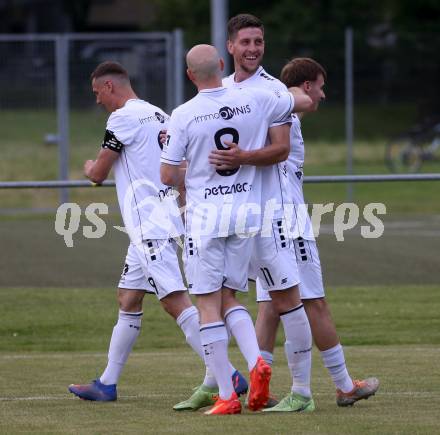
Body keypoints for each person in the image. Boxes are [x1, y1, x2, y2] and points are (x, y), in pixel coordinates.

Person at [210, 13, 380, 409]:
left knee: (289, 302)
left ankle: (330, 385)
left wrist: (291, 97)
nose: (253, 48)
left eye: (259, 42)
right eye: (246, 42)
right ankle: (267, 386)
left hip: (285, 217)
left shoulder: (273, 91)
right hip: (255, 219)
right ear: (230, 46)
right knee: (275, 305)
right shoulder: (221, 94)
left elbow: (294, 114)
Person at [67, 61, 248, 403]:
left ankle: (229, 374)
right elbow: (178, 167)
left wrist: (88, 167)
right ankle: (107, 383)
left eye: (96, 93)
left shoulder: (121, 118)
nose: (97, 101)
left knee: (174, 302)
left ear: (109, 87)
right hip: (162, 216)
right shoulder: (160, 115)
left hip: (148, 223)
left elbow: (99, 174)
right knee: (128, 297)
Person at [160, 44, 313, 415]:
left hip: (206, 218)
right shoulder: (257, 99)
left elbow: (166, 174)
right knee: (232, 298)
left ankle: (229, 394)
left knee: (209, 303)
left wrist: (197, 169)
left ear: (189, 75)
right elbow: (302, 101)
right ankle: (258, 364)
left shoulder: (183, 114)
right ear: (224, 65)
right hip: (248, 216)